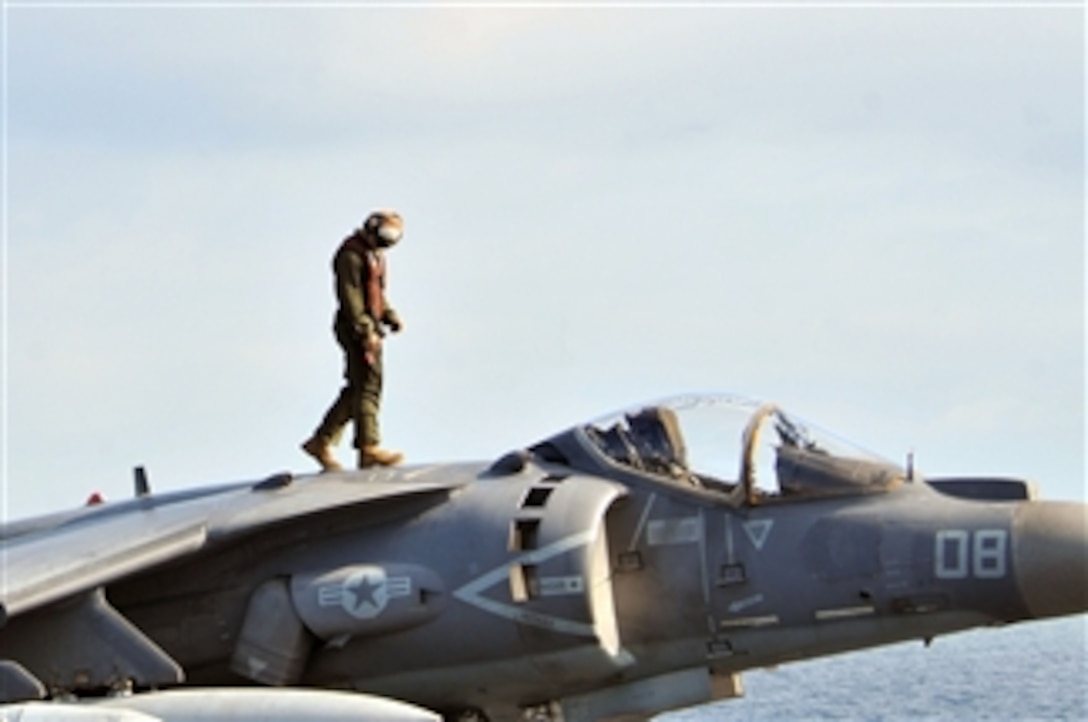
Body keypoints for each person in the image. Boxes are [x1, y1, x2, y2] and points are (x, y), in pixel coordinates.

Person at [301, 210, 406, 471]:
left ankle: (321, 440)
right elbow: (351, 298)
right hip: (355, 327)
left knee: (358, 389)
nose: (388, 241)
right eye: (385, 234)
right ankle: (368, 447)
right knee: (369, 386)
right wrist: (365, 330)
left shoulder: (374, 256)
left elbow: (376, 294)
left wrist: (389, 315)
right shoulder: (351, 254)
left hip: (368, 324)